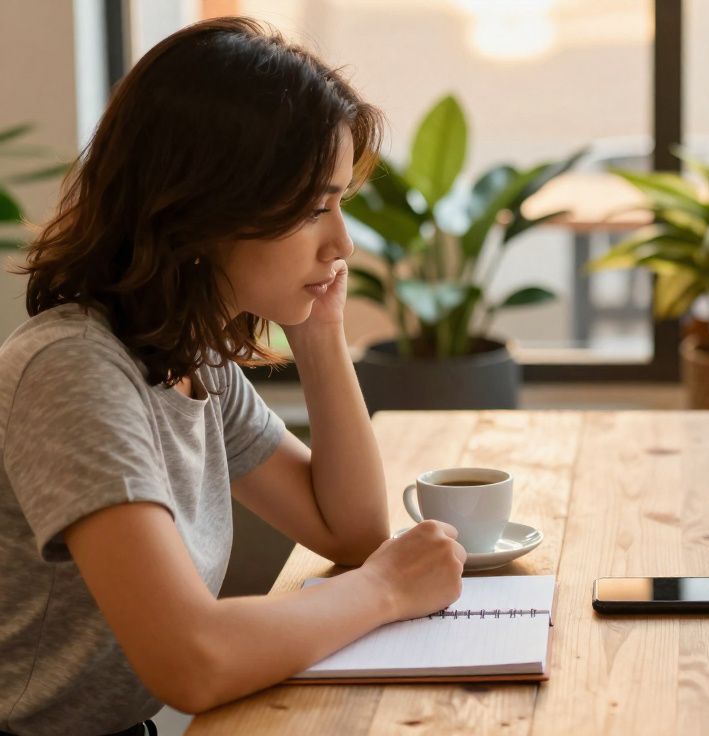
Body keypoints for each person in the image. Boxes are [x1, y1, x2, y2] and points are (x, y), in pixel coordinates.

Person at [0, 18, 466, 735]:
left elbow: (349, 528)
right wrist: (383, 591)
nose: (341, 242)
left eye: (339, 203)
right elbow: (192, 661)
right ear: (205, 209)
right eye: (315, 208)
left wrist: (320, 333)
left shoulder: (192, 361)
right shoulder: (74, 372)